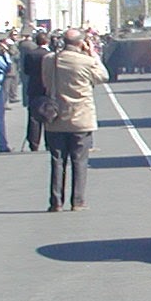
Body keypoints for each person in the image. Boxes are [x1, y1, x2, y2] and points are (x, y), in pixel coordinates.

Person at [41, 27, 109, 212]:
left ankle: (56, 202)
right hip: (81, 118)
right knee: (79, 161)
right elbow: (103, 76)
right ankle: (78, 201)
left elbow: (46, 82)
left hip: (55, 117)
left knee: (57, 161)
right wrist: (92, 54)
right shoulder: (87, 61)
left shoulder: (49, 59)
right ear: (81, 42)